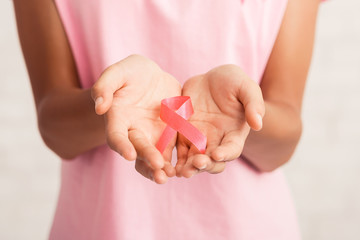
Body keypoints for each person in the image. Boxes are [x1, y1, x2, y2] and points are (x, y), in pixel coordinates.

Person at [13, 0, 323, 239]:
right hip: (103, 226)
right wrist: (110, 104)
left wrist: (243, 115)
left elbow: (284, 142)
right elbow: (54, 127)